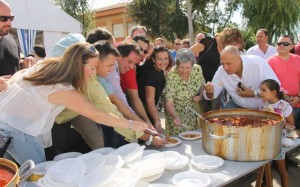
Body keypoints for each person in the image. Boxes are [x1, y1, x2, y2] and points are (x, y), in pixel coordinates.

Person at [0, 42, 147, 165]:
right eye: (92, 67)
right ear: (78, 65)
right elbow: (98, 115)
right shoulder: (62, 88)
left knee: (11, 175)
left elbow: (19, 75)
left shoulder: (49, 65)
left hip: (10, 125)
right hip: (17, 133)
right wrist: (132, 125)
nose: (94, 73)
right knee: (32, 176)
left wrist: (8, 87)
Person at [203, 46, 280, 109]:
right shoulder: (221, 71)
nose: (225, 68)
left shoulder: (257, 63)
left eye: (228, 64)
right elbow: (211, 95)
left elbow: (276, 87)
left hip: (263, 107)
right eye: (222, 64)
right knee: (224, 119)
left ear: (239, 59)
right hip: (237, 105)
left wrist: (254, 93)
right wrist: (209, 92)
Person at [259, 79, 295, 187]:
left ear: (273, 92)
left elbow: (292, 126)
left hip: (278, 142)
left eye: (263, 90)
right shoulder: (263, 105)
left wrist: (279, 122)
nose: (260, 93)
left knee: (281, 169)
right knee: (266, 170)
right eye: (260, 90)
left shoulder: (284, 106)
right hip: (266, 141)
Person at [164, 48, 205, 135]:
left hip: (191, 110)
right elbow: (169, 102)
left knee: (192, 135)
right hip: (175, 110)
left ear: (193, 65)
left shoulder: (197, 69)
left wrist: (200, 95)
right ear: (177, 65)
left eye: (188, 68)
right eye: (181, 67)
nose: (185, 71)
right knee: (178, 139)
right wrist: (175, 117)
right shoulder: (171, 75)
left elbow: (202, 84)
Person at [268, 35, 300, 129]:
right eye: (279, 43)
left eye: (285, 44)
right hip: (278, 106)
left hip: (297, 104)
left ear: (292, 46)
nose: (282, 45)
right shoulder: (270, 62)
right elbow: (269, 84)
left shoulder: (298, 60)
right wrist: (285, 98)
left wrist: (298, 97)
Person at [137, 46, 170, 132]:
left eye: (166, 58)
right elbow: (149, 100)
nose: (163, 62)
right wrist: (156, 120)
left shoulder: (158, 69)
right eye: (160, 59)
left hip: (149, 110)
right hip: (142, 112)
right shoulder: (150, 74)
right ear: (153, 59)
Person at [0, 0, 19, 76]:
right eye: (3, 19)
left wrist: (23, 64)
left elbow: (13, 66)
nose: (9, 23)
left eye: (10, 18)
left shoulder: (10, 39)